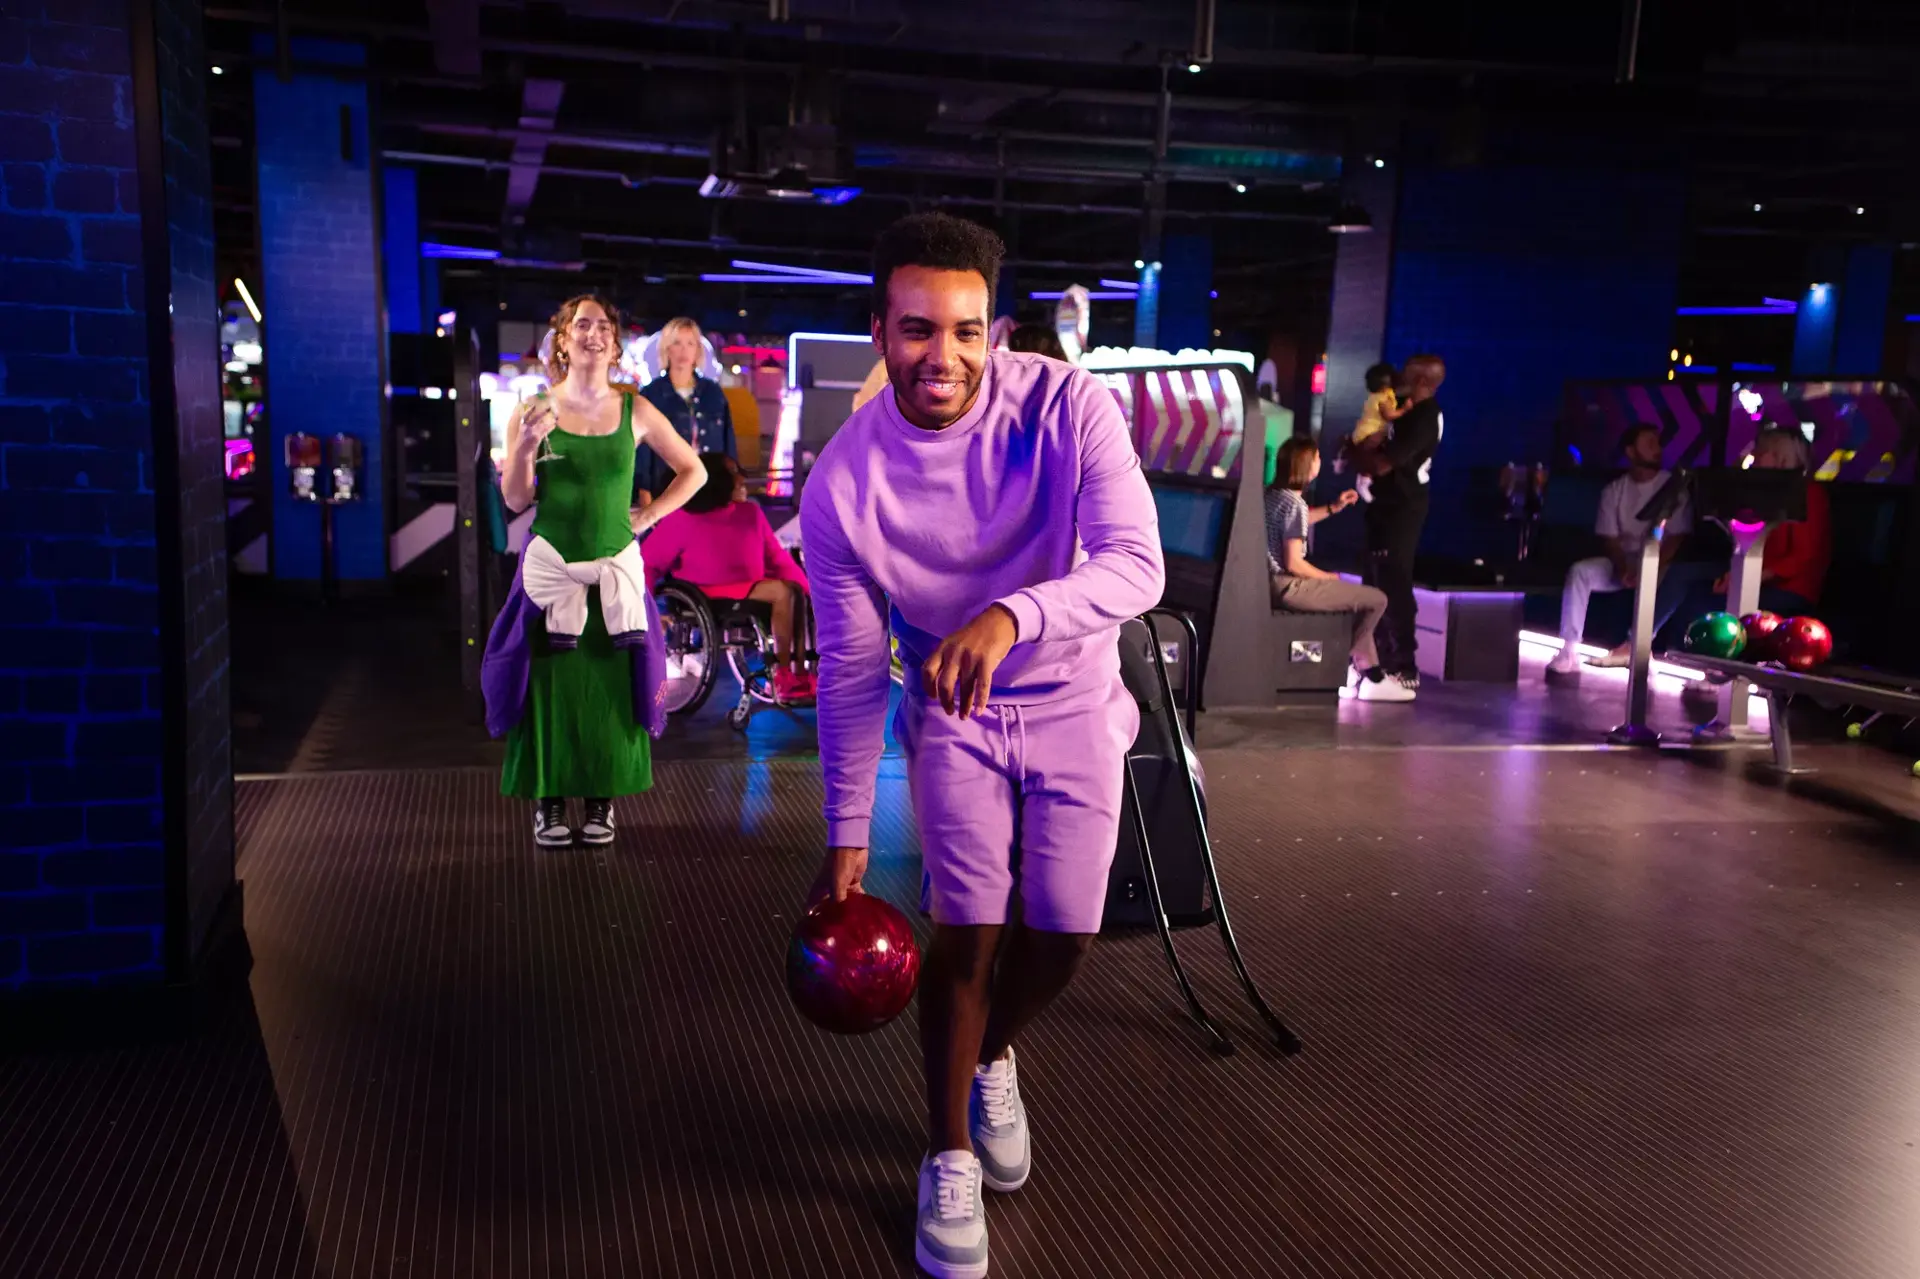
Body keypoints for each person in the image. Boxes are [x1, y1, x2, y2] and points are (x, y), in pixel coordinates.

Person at [801, 212, 1164, 1279]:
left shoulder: (1068, 406)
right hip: (954, 721)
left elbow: (1137, 566)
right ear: (880, 330)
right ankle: (946, 1151)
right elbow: (859, 671)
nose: (942, 357)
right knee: (965, 934)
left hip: (1075, 702)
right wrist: (846, 829)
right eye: (917, 330)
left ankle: (994, 1054)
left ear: (995, 331)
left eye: (965, 332)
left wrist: (1014, 614)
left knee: (1065, 937)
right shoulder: (842, 487)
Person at [493, 295, 706, 848]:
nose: (592, 334)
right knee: (548, 687)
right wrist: (523, 448)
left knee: (612, 688)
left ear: (613, 344)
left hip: (615, 574)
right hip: (551, 573)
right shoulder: (533, 407)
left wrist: (650, 515)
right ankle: (549, 801)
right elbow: (516, 500)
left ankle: (601, 801)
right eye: (580, 325)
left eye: (603, 327)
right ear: (562, 339)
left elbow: (694, 471)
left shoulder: (635, 409)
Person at [643, 451, 815, 702]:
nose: (742, 478)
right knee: (784, 591)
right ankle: (782, 674)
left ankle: (800, 673)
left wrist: (811, 591)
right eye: (734, 472)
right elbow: (648, 563)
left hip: (750, 587)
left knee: (797, 591)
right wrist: (650, 611)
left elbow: (777, 559)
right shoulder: (682, 519)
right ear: (715, 481)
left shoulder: (750, 513)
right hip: (703, 593)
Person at [1547, 423, 1704, 679]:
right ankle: (1569, 649)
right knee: (1580, 572)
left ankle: (1638, 647)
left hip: (1660, 560)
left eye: (1658, 443)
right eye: (1649, 443)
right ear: (1631, 452)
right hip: (1624, 561)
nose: (1657, 449)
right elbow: (1609, 538)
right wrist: (1623, 567)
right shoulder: (1614, 490)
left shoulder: (1672, 487)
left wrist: (1648, 569)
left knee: (1673, 577)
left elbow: (1677, 538)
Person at [1266, 438, 1410, 701]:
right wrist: (1329, 578)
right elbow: (1293, 563)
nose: (1321, 462)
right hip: (1290, 586)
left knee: (1354, 605)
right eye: (1318, 458)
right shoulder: (1294, 504)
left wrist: (1334, 507)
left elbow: (1299, 520)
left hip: (1272, 584)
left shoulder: (1275, 496)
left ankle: (1370, 674)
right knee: (1377, 599)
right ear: (1307, 464)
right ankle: (1350, 667)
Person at [1669, 427, 1832, 637]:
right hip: (1753, 574)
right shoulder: (1763, 493)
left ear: (1779, 456)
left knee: (1703, 603)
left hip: (1790, 588)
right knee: (1686, 581)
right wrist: (1734, 576)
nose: (1753, 456)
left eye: (1760, 450)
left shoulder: (1809, 494)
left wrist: (1749, 577)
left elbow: (1801, 556)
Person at [1356, 354, 1445, 697]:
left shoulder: (1425, 416)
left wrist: (1356, 454)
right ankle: (1370, 661)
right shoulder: (1406, 409)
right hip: (1384, 506)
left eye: (1407, 374)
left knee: (1394, 580)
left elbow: (1385, 464)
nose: (1398, 377)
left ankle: (1404, 666)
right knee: (1373, 579)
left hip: (1403, 509)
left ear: (1423, 381)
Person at [635, 316, 737, 509]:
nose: (683, 350)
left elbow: (728, 442)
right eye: (677, 343)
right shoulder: (651, 394)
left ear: (698, 350)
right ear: (667, 348)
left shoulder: (713, 392)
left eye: (690, 343)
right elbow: (643, 450)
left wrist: (733, 482)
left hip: (711, 487)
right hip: (667, 487)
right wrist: (644, 491)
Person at [1341, 361, 1410, 503]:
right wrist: (1405, 410)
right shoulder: (1383, 397)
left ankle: (1345, 459)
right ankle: (1361, 480)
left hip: (1363, 432)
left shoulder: (1377, 395)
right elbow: (1388, 415)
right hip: (1370, 434)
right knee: (1373, 460)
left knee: (1367, 458)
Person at [1004, 324, 1068, 361]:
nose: (1041, 345)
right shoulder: (1068, 372)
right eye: (1035, 347)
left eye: (1036, 339)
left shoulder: (1065, 323)